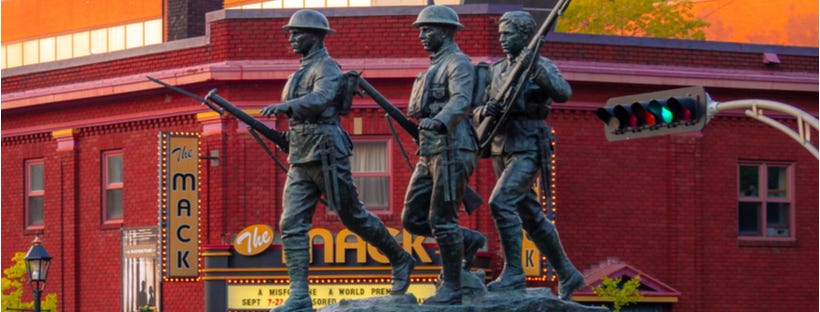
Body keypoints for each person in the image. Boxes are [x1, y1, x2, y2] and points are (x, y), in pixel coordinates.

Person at [261, 9, 414, 312]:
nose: (291, 39)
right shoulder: (296, 75)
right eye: (290, 33)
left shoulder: (327, 67)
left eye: (297, 33)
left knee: (353, 217)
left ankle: (399, 258)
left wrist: (287, 105)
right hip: (301, 156)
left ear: (315, 36)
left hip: (327, 153)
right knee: (291, 223)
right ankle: (300, 295)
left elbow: (322, 98)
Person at [473, 11, 584, 300]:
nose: (502, 38)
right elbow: (476, 108)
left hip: (529, 145)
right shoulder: (495, 70)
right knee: (531, 216)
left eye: (508, 33)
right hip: (500, 145)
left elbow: (563, 93)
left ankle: (513, 273)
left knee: (500, 203)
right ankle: (568, 273)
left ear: (525, 36)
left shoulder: (541, 65)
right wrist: (485, 111)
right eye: (500, 33)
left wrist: (535, 67)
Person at [401, 5, 485, 305]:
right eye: (420, 30)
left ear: (446, 31)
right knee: (412, 218)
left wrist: (440, 120)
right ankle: (468, 239)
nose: (422, 35)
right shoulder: (432, 67)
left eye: (428, 29)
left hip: (453, 147)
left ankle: (452, 287)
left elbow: (461, 100)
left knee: (441, 218)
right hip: (430, 151)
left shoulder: (457, 63)